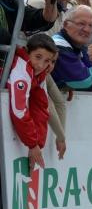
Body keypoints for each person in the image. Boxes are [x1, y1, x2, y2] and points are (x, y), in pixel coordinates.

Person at [7, 33, 59, 171]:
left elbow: (41, 108)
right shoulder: (22, 70)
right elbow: (19, 111)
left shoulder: (40, 74)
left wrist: (38, 145)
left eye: (48, 60)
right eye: (38, 57)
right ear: (27, 51)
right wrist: (32, 144)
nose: (41, 65)